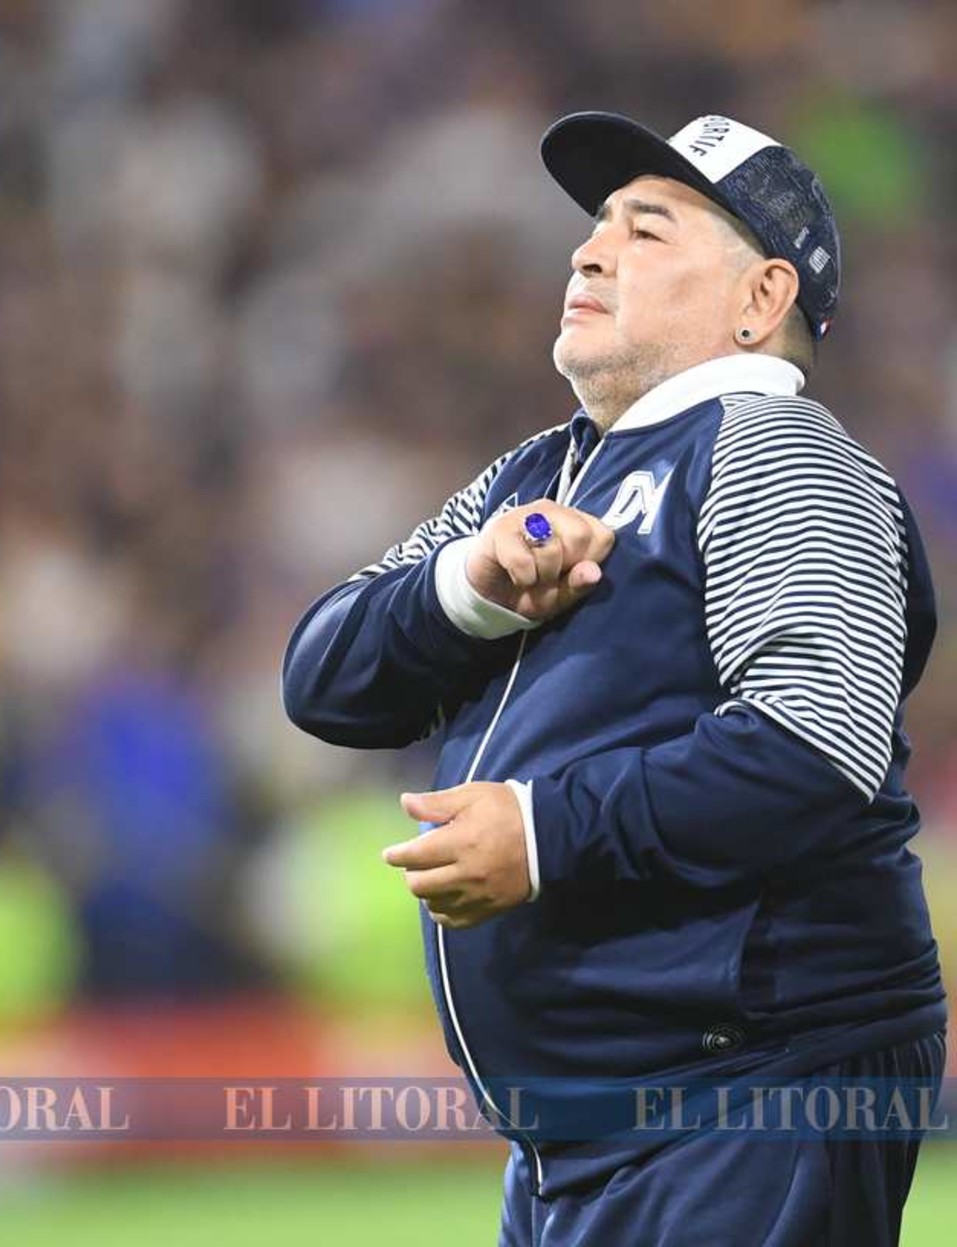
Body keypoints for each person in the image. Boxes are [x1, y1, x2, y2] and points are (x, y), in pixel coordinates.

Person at [281, 112, 946, 1245]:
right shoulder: (538, 473)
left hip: (747, 1087)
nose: (588, 252)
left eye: (646, 230)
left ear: (760, 298)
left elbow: (812, 742)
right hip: (600, 1129)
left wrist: (543, 832)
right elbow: (322, 679)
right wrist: (468, 586)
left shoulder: (773, 445)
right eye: (596, 226)